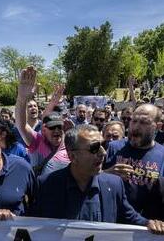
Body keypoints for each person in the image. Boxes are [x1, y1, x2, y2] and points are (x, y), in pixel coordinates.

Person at [34, 124, 164, 234]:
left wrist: (149, 223)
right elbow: (32, 223)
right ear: (72, 156)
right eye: (94, 148)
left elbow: (129, 216)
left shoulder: (114, 184)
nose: (103, 153)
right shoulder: (47, 185)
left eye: (102, 145)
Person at [104, 104, 164, 214]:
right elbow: (92, 179)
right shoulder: (114, 147)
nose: (136, 127)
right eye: (134, 121)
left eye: (144, 122)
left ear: (158, 126)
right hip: (112, 221)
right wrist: (107, 173)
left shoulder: (162, 155)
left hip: (146, 227)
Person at [15, 66, 69, 176]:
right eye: (52, 127)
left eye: (59, 127)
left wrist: (53, 103)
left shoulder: (68, 143)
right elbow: (22, 126)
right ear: (43, 130)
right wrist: (22, 98)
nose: (57, 130)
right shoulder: (38, 142)